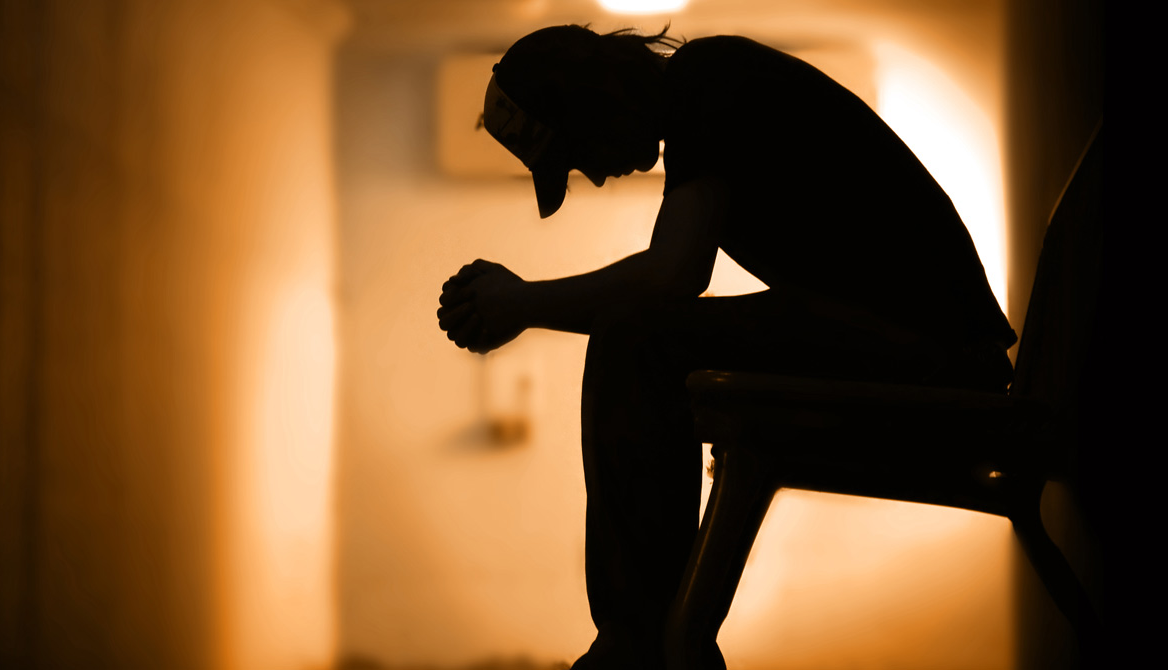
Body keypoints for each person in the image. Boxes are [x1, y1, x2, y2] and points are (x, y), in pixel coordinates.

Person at [436, 25, 1017, 669]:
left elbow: (673, 275)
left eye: (576, 154)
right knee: (641, 335)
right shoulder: (705, 87)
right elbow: (670, 285)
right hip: (926, 344)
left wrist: (521, 305)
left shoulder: (706, 80)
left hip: (940, 352)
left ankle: (637, 644)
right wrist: (524, 307)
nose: (594, 177)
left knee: (639, 336)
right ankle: (653, 638)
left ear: (589, 102)